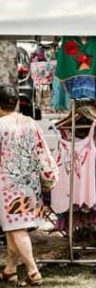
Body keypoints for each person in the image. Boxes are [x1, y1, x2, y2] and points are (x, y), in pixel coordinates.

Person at [0, 84, 56, 286]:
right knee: (13, 227)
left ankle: (33, 272)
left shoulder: (0, 126)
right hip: (30, 184)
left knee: (16, 228)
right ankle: (10, 269)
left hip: (9, 186)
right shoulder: (30, 123)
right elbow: (42, 151)